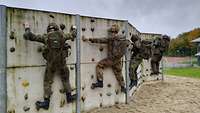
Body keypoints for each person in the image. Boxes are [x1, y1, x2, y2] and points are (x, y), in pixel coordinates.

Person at [23, 22, 77, 110]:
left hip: (51, 64)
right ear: (56, 28)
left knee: (47, 82)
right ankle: (69, 97)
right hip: (62, 64)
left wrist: (27, 27)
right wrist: (74, 27)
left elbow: (30, 36)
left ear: (48, 29)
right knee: (65, 79)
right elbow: (73, 34)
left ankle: (46, 102)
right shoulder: (62, 36)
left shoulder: (45, 37)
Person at [82, 24, 130, 93]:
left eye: (111, 31)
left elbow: (100, 40)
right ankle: (123, 87)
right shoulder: (123, 39)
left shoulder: (111, 38)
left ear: (112, 31)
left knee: (99, 65)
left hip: (111, 59)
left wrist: (88, 39)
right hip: (118, 59)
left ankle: (100, 82)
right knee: (119, 73)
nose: (110, 33)